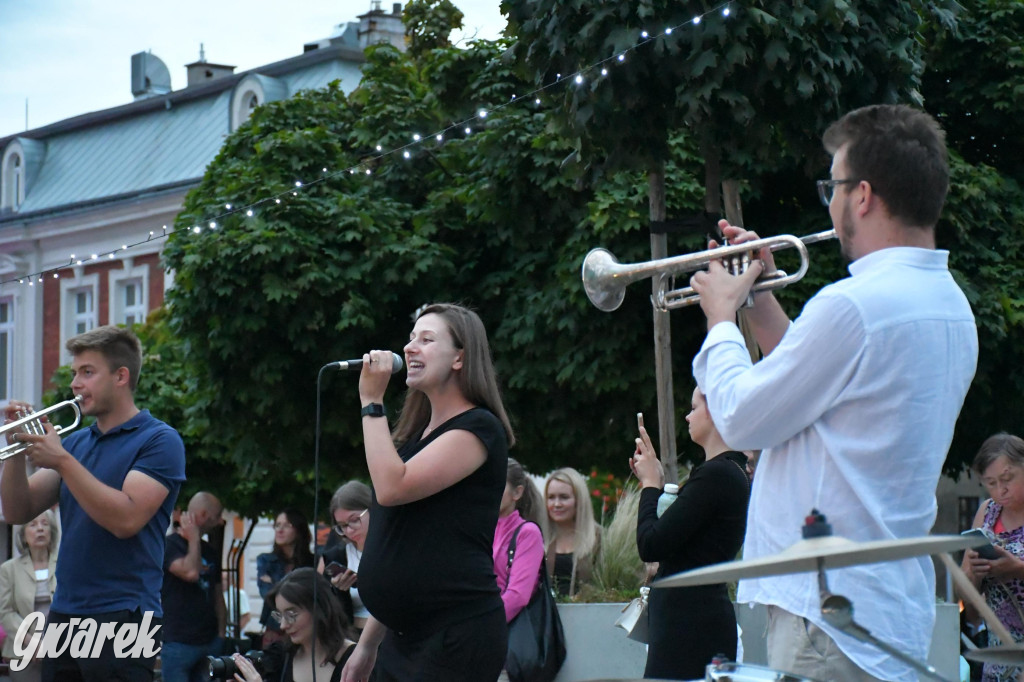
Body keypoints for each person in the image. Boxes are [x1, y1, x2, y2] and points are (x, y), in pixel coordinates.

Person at [688, 104, 978, 681]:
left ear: (863, 195)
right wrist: (759, 297)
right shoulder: (949, 305)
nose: (831, 201)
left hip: (826, 618)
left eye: (834, 185)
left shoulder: (853, 304)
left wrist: (721, 318)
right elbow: (816, 388)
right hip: (883, 606)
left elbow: (743, 418)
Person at [1, 324, 186, 682]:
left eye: (87, 372)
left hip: (127, 614)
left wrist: (63, 462)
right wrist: (16, 450)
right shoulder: (75, 444)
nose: (75, 384)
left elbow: (126, 519)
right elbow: (17, 511)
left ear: (121, 376)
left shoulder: (159, 440)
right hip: (65, 612)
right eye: (75, 373)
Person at [341, 303, 515, 682]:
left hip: (455, 634)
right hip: (404, 637)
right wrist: (368, 644)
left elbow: (391, 487)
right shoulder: (413, 442)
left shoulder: (478, 429)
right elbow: (402, 547)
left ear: (459, 358)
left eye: (426, 339)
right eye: (410, 338)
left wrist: (371, 402)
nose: (409, 348)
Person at [630, 387, 749, 679]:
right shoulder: (727, 473)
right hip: (694, 621)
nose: (687, 416)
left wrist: (649, 485)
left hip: (690, 626)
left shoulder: (717, 475)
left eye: (694, 407)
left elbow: (651, 543)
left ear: (715, 411)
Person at [961, 433, 1024, 682]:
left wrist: (1018, 569)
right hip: (999, 657)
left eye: (1007, 479)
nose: (1001, 490)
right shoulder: (987, 513)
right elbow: (965, 592)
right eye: (991, 482)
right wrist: (973, 575)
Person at [230, 568, 358, 682]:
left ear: (319, 608)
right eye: (279, 616)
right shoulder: (282, 656)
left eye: (291, 615)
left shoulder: (355, 659)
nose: (283, 626)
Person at [160, 491, 226, 682]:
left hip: (209, 640)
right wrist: (194, 538)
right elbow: (191, 573)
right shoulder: (169, 546)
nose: (220, 521)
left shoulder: (211, 552)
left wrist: (221, 634)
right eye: (217, 516)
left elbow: (217, 593)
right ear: (204, 515)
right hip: (179, 642)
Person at [0, 510, 60, 682]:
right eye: (33, 525)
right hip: (22, 652)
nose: (39, 529)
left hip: (60, 648)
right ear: (24, 535)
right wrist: (33, 643)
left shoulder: (64, 564)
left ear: (52, 532)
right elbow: (6, 613)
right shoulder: (9, 570)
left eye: (44, 524)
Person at [494, 458, 545, 622]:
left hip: (500, 631)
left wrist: (483, 625)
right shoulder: (476, 528)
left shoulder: (527, 533)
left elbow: (518, 596)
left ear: (517, 492)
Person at [317, 481, 372, 630]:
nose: (348, 531)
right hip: (354, 638)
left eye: (354, 520)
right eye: (342, 526)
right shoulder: (336, 557)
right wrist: (339, 592)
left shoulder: (391, 549)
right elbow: (329, 617)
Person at [257, 509, 314, 645]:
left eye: (287, 525)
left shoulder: (313, 562)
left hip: (304, 628)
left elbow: (309, 597)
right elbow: (267, 594)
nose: (280, 530)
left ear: (299, 529)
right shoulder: (266, 560)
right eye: (277, 525)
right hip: (275, 627)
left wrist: (274, 583)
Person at [544, 467, 600, 597]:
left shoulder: (599, 538)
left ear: (579, 500)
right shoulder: (539, 538)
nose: (557, 504)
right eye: (551, 497)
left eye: (564, 497)